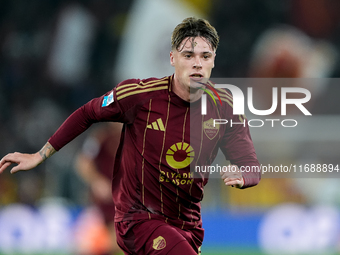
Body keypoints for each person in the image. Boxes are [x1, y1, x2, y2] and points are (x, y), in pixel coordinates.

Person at [0, 17, 261, 254]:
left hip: (188, 224)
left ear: (214, 59)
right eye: (188, 55)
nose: (197, 64)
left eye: (205, 56)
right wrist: (41, 154)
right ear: (172, 58)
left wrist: (244, 177)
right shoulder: (140, 95)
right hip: (138, 219)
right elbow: (87, 113)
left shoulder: (224, 104)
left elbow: (251, 164)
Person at [75, 122, 123, 255]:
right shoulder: (100, 137)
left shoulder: (138, 136)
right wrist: (96, 181)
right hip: (104, 202)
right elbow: (83, 162)